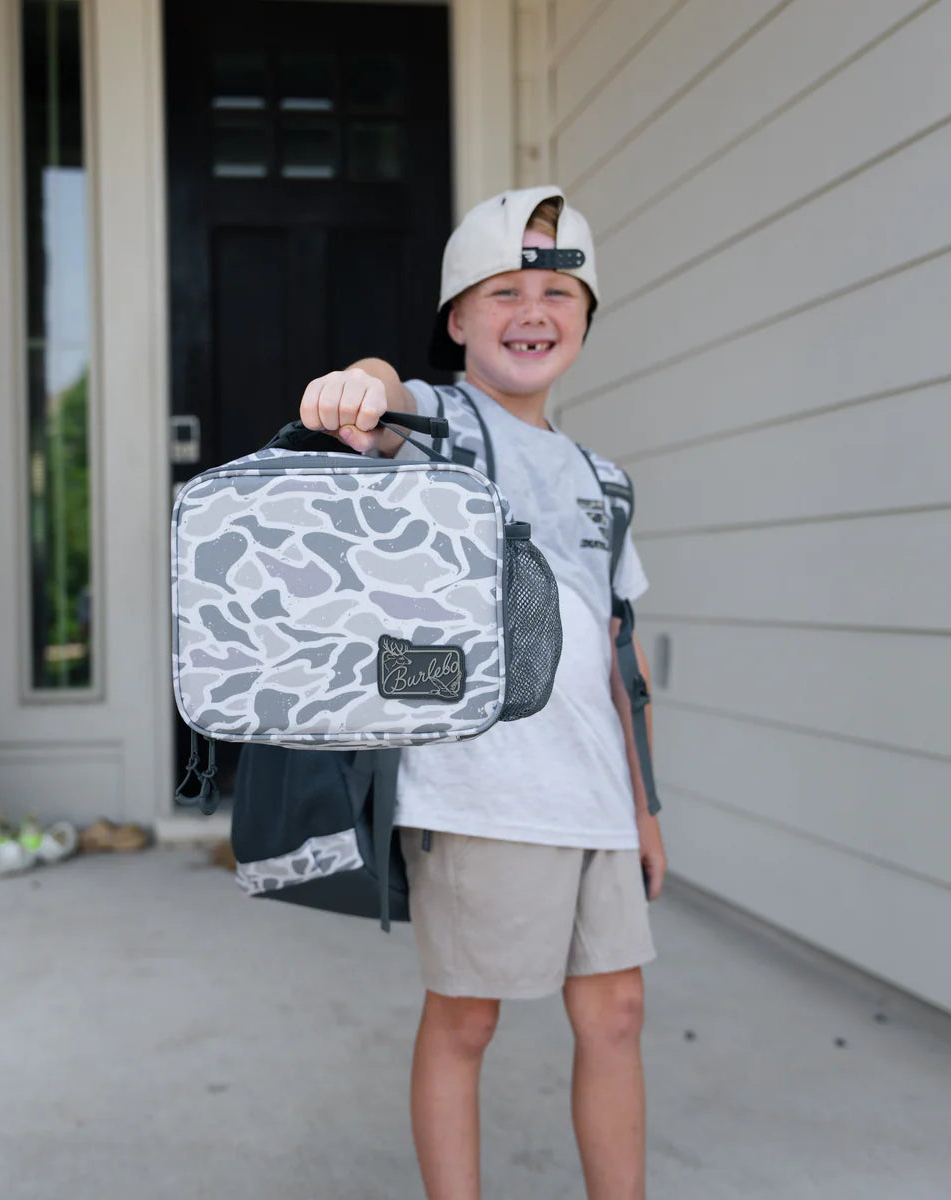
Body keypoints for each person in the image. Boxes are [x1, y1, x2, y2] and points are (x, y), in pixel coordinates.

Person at [298, 186, 667, 1200]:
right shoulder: (445, 427)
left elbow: (616, 663)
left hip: (594, 796)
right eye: (503, 291)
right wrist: (361, 384)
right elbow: (388, 403)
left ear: (587, 320)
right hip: (482, 792)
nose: (533, 311)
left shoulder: (604, 479)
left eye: (558, 291)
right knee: (467, 1017)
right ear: (458, 320)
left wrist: (643, 809)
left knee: (618, 1016)